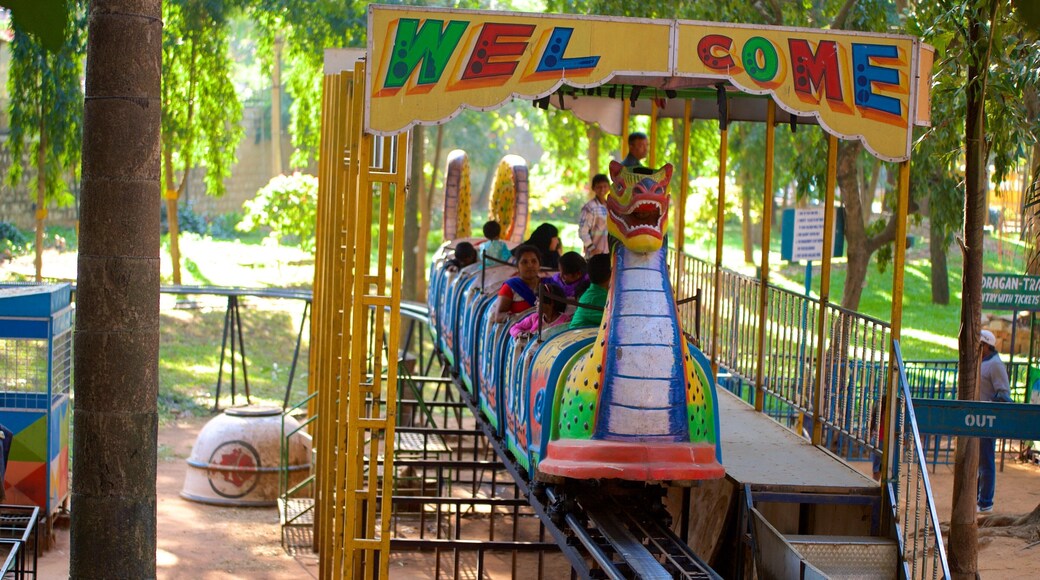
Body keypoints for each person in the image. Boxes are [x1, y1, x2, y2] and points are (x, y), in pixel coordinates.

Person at [978, 329, 1011, 513]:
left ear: (986, 346)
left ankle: (985, 502)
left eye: (980, 345)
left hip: (987, 419)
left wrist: (991, 406)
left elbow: (1004, 393)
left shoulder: (995, 365)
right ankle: (978, 498)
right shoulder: (981, 362)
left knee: (986, 461)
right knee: (976, 461)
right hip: (976, 418)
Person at [493, 245, 542, 323]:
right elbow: (498, 316)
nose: (530, 265)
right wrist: (518, 318)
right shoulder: (511, 287)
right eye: (524, 262)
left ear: (539, 265)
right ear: (517, 266)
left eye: (534, 261)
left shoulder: (548, 285)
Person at [569, 253, 611, 329]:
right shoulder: (595, 298)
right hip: (579, 335)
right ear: (610, 274)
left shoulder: (596, 293)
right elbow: (611, 321)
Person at [578, 174, 610, 258]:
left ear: (609, 187)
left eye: (605, 186)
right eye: (599, 187)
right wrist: (592, 248)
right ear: (593, 188)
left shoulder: (611, 207)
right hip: (595, 255)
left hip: (609, 254)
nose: (602, 189)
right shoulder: (589, 208)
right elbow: (582, 231)